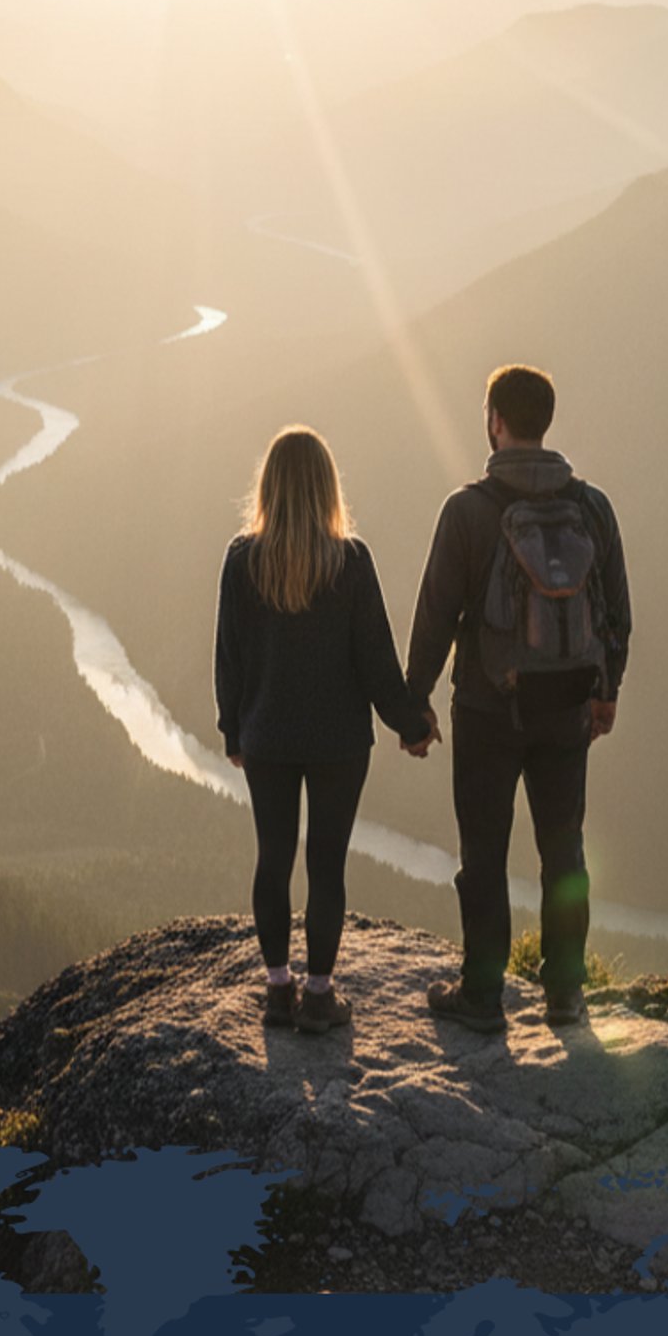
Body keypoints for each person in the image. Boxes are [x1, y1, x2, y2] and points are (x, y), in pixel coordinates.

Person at [405, 364, 631, 1033]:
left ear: (495, 420)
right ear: (546, 422)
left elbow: (436, 616)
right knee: (564, 849)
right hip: (565, 710)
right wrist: (606, 690)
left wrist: (413, 706)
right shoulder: (591, 507)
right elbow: (616, 610)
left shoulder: (469, 510)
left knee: (485, 855)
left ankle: (483, 996)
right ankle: (566, 993)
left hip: (485, 709)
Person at [215, 426, 436, 1035]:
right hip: (339, 741)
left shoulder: (242, 561)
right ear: (326, 487)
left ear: (269, 487)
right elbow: (376, 662)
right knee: (327, 865)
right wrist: (412, 722)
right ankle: (319, 996)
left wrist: (233, 731)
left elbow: (228, 658)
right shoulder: (350, 561)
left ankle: (277, 989)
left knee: (273, 858)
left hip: (267, 737)